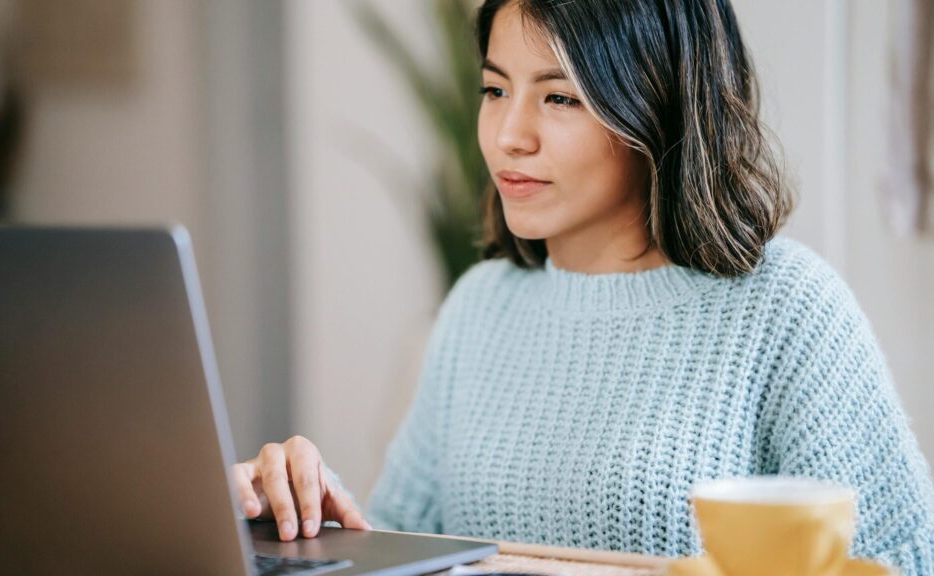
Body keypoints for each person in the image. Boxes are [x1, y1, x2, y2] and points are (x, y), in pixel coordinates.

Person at [231, 0, 934, 573]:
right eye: (495, 89)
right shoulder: (479, 307)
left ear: (656, 103)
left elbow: (906, 560)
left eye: (560, 97)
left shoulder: (786, 308)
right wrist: (294, 517)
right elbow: (400, 546)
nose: (509, 135)